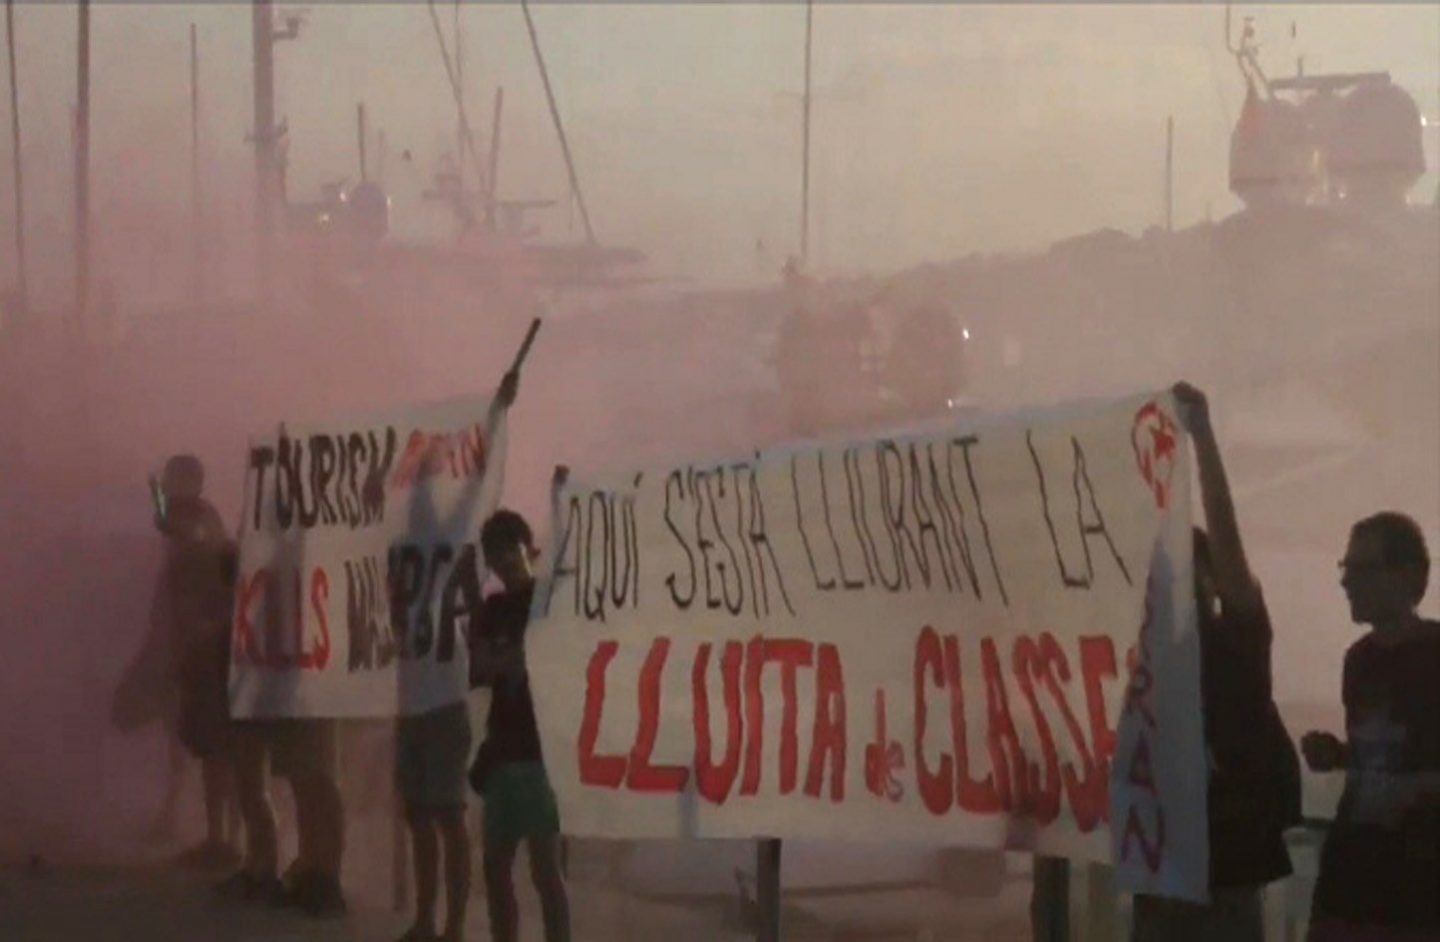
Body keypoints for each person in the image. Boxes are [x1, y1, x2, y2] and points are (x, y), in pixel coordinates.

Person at [1130, 382, 1301, 941]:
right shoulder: (1148, 661)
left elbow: (1227, 540)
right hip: (1170, 871)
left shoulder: (1236, 646)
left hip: (1217, 872)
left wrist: (1202, 441)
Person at [395, 369, 518, 942]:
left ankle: (450, 926)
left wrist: (497, 412)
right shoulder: (405, 546)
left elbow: (476, 481)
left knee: (445, 816)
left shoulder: (454, 534)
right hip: (412, 699)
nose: (420, 496)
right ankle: (426, 920)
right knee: (421, 816)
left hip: (442, 698)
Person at [1303, 512, 1440, 940]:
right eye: (1346, 569)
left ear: (1408, 576)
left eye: (1361, 569)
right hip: (1349, 881)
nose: (1346, 583)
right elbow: (1389, 753)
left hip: (1417, 892)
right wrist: (1341, 755)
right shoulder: (1358, 661)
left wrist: (1415, 790)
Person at [469, 503, 571, 942]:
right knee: (495, 867)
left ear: (528, 547)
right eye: (495, 555)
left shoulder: (549, 599)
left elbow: (553, 658)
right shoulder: (493, 607)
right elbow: (481, 665)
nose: (505, 562)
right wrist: (521, 658)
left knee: (546, 870)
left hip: (541, 750)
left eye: (509, 550)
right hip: (504, 747)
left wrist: (515, 659)